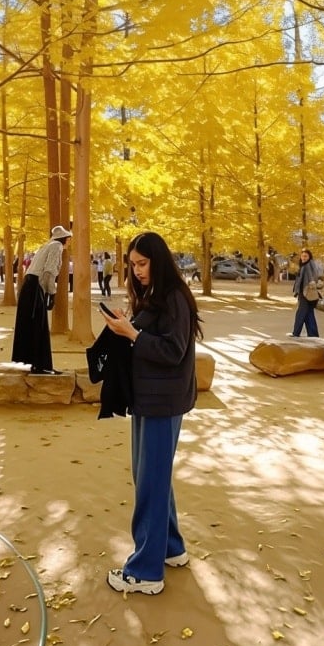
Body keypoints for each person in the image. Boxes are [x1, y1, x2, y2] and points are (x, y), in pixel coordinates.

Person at [100, 230, 202, 595]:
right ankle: (171, 548)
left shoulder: (174, 296)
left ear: (158, 260)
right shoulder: (156, 296)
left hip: (163, 401)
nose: (137, 271)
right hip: (151, 398)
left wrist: (133, 334)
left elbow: (172, 351)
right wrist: (127, 325)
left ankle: (145, 571)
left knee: (151, 483)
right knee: (152, 478)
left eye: (142, 264)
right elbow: (152, 338)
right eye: (133, 265)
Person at [11, 225, 72, 373]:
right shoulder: (56, 246)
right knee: (40, 325)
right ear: (65, 238)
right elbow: (49, 272)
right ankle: (41, 365)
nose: (70, 242)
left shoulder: (46, 246)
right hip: (36, 286)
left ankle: (35, 363)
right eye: (69, 239)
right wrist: (52, 293)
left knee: (33, 324)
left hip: (29, 285)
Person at [291, 247, 322, 337]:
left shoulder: (308, 266)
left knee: (301, 313)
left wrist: (307, 288)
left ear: (309, 257)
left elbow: (312, 279)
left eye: (306, 256)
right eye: (302, 256)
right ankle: (313, 335)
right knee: (309, 314)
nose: (304, 258)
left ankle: (296, 333)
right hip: (306, 294)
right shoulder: (306, 265)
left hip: (306, 294)